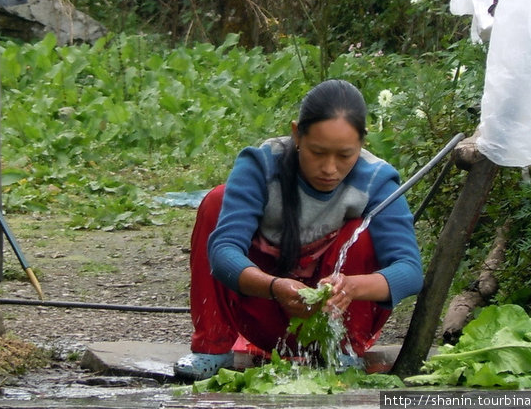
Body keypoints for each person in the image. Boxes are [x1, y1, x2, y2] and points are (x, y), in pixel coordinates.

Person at [173, 79, 423, 380]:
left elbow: (409, 271)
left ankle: (341, 352)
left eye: (345, 155)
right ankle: (211, 348)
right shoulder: (260, 165)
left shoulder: (378, 181)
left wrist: (351, 287)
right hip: (264, 310)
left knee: (363, 229)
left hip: (336, 318)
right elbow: (223, 251)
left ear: (362, 142)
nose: (329, 168)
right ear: (296, 134)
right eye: (317, 152)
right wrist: (274, 287)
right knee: (216, 200)